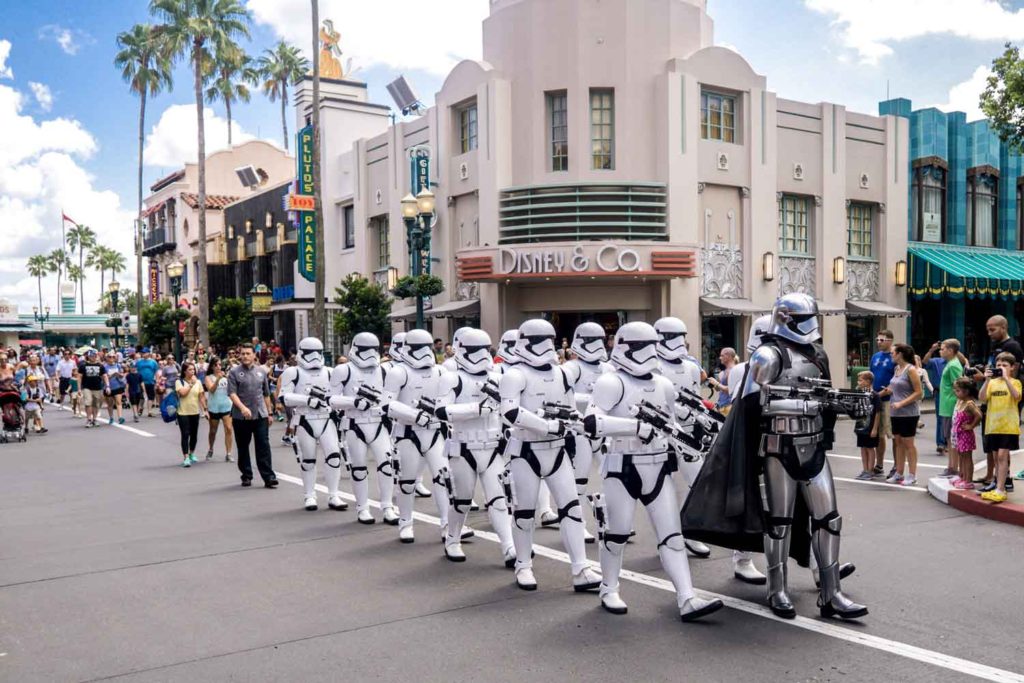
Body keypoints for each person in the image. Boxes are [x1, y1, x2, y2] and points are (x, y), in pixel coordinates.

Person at [682, 293, 867, 620]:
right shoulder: (767, 355)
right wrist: (809, 403)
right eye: (803, 318)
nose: (810, 326)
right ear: (786, 319)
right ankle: (777, 589)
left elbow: (823, 394)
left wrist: (839, 404)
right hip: (777, 446)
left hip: (812, 445)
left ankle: (831, 592)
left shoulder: (817, 353)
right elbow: (754, 406)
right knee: (779, 522)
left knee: (829, 519)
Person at [584, 322, 722, 621]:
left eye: (651, 344)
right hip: (622, 466)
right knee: (617, 534)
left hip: (658, 465)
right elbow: (592, 423)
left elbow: (672, 425)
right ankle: (609, 588)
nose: (648, 352)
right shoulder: (612, 382)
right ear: (623, 347)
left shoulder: (663, 385)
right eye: (640, 345)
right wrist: (635, 427)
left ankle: (687, 597)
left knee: (672, 535)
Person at [498, 318, 601, 593]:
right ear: (524, 342)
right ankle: (523, 565)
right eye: (538, 340)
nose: (546, 346)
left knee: (571, 508)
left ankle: (581, 568)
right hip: (526, 450)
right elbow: (510, 413)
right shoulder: (514, 374)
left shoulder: (562, 374)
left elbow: (569, 409)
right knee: (524, 512)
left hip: (557, 450)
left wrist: (581, 424)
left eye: (550, 340)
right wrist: (546, 425)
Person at [435, 328, 514, 564]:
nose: (480, 355)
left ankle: (509, 546)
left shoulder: (498, 377)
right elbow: (442, 410)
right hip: (463, 446)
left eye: (484, 350)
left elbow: (510, 412)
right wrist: (476, 409)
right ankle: (452, 540)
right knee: (461, 500)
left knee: (500, 499)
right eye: (474, 350)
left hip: (492, 447)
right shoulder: (452, 377)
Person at [328, 332, 398, 524]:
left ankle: (387, 506)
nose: (369, 354)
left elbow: (391, 397)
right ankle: (362, 508)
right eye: (365, 350)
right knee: (358, 468)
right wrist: (354, 402)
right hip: (354, 423)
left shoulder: (384, 371)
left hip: (378, 423)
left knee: (386, 465)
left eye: (373, 350)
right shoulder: (344, 370)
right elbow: (331, 399)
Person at [279, 338, 347, 511]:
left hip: (326, 418)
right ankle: (309, 495)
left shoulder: (331, 372)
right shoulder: (293, 372)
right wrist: (307, 400)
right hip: (305, 418)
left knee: (333, 456)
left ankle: (334, 494)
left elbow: (340, 396)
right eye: (310, 353)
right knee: (308, 459)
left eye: (318, 352)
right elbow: (285, 397)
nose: (315, 357)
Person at [228, 344, 277, 488]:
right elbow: (232, 393)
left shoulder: (261, 372)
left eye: (248, 353)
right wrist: (242, 407)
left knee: (263, 445)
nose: (245, 356)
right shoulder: (234, 372)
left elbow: (266, 394)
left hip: (260, 414)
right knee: (243, 446)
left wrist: (269, 413)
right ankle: (246, 475)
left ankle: (269, 477)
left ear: (253, 355)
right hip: (241, 416)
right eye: (242, 354)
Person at [978, 352, 1021, 503]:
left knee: (1003, 456)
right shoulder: (992, 383)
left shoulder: (1015, 382)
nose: (1001, 367)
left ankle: (1001, 489)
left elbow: (1016, 396)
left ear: (1012, 367)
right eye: (998, 365)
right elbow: (982, 398)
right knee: (996, 458)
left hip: (1008, 426)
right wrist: (986, 380)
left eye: (1004, 365)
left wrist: (1005, 379)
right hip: (992, 426)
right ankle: (998, 485)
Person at [880, 343, 922, 486]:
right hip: (895, 412)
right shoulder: (897, 369)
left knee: (908, 444)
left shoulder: (911, 370)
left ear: (900, 354)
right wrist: (886, 391)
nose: (891, 354)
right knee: (898, 443)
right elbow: (894, 387)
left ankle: (912, 475)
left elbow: (918, 392)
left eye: (893, 352)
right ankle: (899, 473)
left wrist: (901, 403)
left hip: (909, 413)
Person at [934, 340, 964, 477]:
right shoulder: (951, 364)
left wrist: (958, 406)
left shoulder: (953, 365)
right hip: (946, 405)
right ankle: (951, 466)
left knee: (952, 439)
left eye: (943, 349)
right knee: (948, 438)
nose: (940, 351)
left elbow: (959, 386)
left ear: (950, 351)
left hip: (950, 405)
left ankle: (953, 467)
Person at [870, 330, 896, 477]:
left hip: (889, 400)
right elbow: (871, 376)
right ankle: (879, 465)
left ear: (890, 341)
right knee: (879, 435)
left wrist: (886, 391)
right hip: (875, 400)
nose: (879, 342)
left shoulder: (894, 357)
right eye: (878, 339)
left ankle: (896, 466)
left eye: (882, 340)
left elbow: (897, 378)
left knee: (892, 435)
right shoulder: (875, 357)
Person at [949, 377, 981, 490]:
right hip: (959, 434)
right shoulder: (961, 402)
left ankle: (968, 480)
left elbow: (979, 415)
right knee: (961, 456)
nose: (955, 392)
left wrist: (971, 426)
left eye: (957, 390)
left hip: (966, 435)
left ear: (966, 391)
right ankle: (962, 476)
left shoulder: (969, 404)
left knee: (967, 457)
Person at [175, 362, 207, 467]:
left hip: (195, 412)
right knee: (185, 434)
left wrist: (205, 410)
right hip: (183, 412)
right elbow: (183, 393)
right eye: (190, 369)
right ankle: (186, 457)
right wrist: (191, 384)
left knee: (194, 435)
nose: (192, 371)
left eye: (193, 369)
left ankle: (191, 453)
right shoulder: (179, 382)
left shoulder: (198, 382)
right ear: (184, 371)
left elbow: (201, 396)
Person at [204, 357, 234, 462]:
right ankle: (211, 448)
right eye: (216, 365)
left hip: (226, 406)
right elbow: (211, 390)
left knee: (229, 429)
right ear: (212, 367)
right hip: (214, 407)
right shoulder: (208, 377)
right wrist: (218, 379)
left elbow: (232, 391)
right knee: (213, 431)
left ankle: (229, 453)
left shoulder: (226, 377)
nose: (218, 367)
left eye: (220, 365)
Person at [853, 371, 881, 480]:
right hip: (861, 425)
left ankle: (870, 470)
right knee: (863, 448)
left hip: (870, 426)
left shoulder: (875, 395)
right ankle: (864, 469)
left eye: (861, 380)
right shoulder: (859, 394)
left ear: (868, 381)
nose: (858, 382)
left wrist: (875, 428)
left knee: (870, 448)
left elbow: (878, 413)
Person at [76, 350, 108, 428]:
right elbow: (79, 377)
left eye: (94, 356)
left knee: (96, 404)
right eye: (91, 356)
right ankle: (89, 419)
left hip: (98, 387)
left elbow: (104, 376)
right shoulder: (83, 365)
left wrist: (107, 386)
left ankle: (95, 419)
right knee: (88, 402)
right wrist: (79, 388)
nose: (93, 357)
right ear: (88, 357)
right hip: (87, 387)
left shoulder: (100, 366)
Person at [708, 347, 737, 415]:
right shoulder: (724, 372)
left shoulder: (734, 370)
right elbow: (718, 389)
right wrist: (714, 383)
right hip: (722, 406)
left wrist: (717, 383)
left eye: (722, 355)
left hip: (729, 407)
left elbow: (731, 389)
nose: (720, 358)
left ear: (728, 356)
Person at [103, 352, 126, 425]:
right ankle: (111, 418)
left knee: (118, 402)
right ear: (107, 358)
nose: (111, 358)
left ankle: (120, 417)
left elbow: (122, 375)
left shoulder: (118, 365)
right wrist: (113, 375)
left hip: (117, 386)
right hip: (108, 387)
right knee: (110, 404)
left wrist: (119, 374)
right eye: (110, 357)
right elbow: (104, 378)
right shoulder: (104, 367)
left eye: (113, 357)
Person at [135, 351, 159, 417]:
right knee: (140, 396)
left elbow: (156, 372)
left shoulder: (153, 362)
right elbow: (135, 370)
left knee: (150, 396)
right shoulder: (139, 362)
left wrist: (157, 381)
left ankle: (149, 411)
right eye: (143, 353)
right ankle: (141, 407)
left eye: (145, 353)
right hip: (140, 382)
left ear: (148, 353)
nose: (144, 354)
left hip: (150, 381)